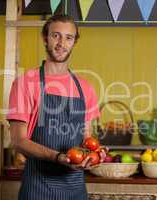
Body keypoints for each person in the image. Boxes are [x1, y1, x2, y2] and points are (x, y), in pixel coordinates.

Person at [6, 15, 105, 200]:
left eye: (69, 37)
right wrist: (58, 157)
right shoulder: (26, 83)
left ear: (74, 42)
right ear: (45, 38)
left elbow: (86, 137)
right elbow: (18, 141)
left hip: (76, 190)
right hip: (38, 188)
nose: (62, 43)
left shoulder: (85, 88)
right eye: (56, 36)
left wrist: (95, 154)